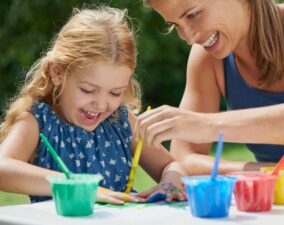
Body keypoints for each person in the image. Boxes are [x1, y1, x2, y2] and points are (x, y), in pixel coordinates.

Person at [0, 6, 186, 204]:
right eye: (88, 90)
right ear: (57, 73)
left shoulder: (120, 121)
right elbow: (3, 169)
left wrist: (170, 182)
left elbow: (171, 165)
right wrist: (77, 186)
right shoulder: (38, 122)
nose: (101, 104)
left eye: (115, 92)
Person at [136, 0, 284, 175]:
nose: (190, 39)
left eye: (192, 15)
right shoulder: (209, 56)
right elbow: (183, 159)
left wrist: (205, 126)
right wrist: (276, 175)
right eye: (175, 25)